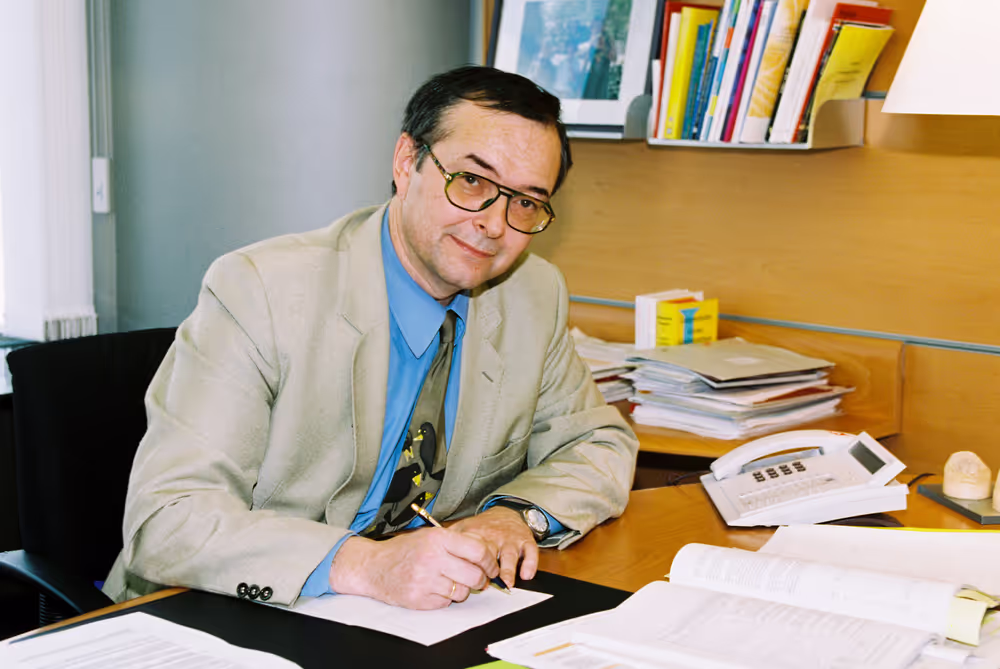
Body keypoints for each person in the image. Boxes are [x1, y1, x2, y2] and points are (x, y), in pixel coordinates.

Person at [104, 65, 638, 611]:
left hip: (412, 620)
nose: (495, 224)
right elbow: (168, 518)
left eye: (525, 201)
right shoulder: (260, 290)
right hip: (221, 608)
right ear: (407, 162)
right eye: (473, 181)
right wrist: (367, 564)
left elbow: (597, 443)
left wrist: (512, 514)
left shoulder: (533, 293)